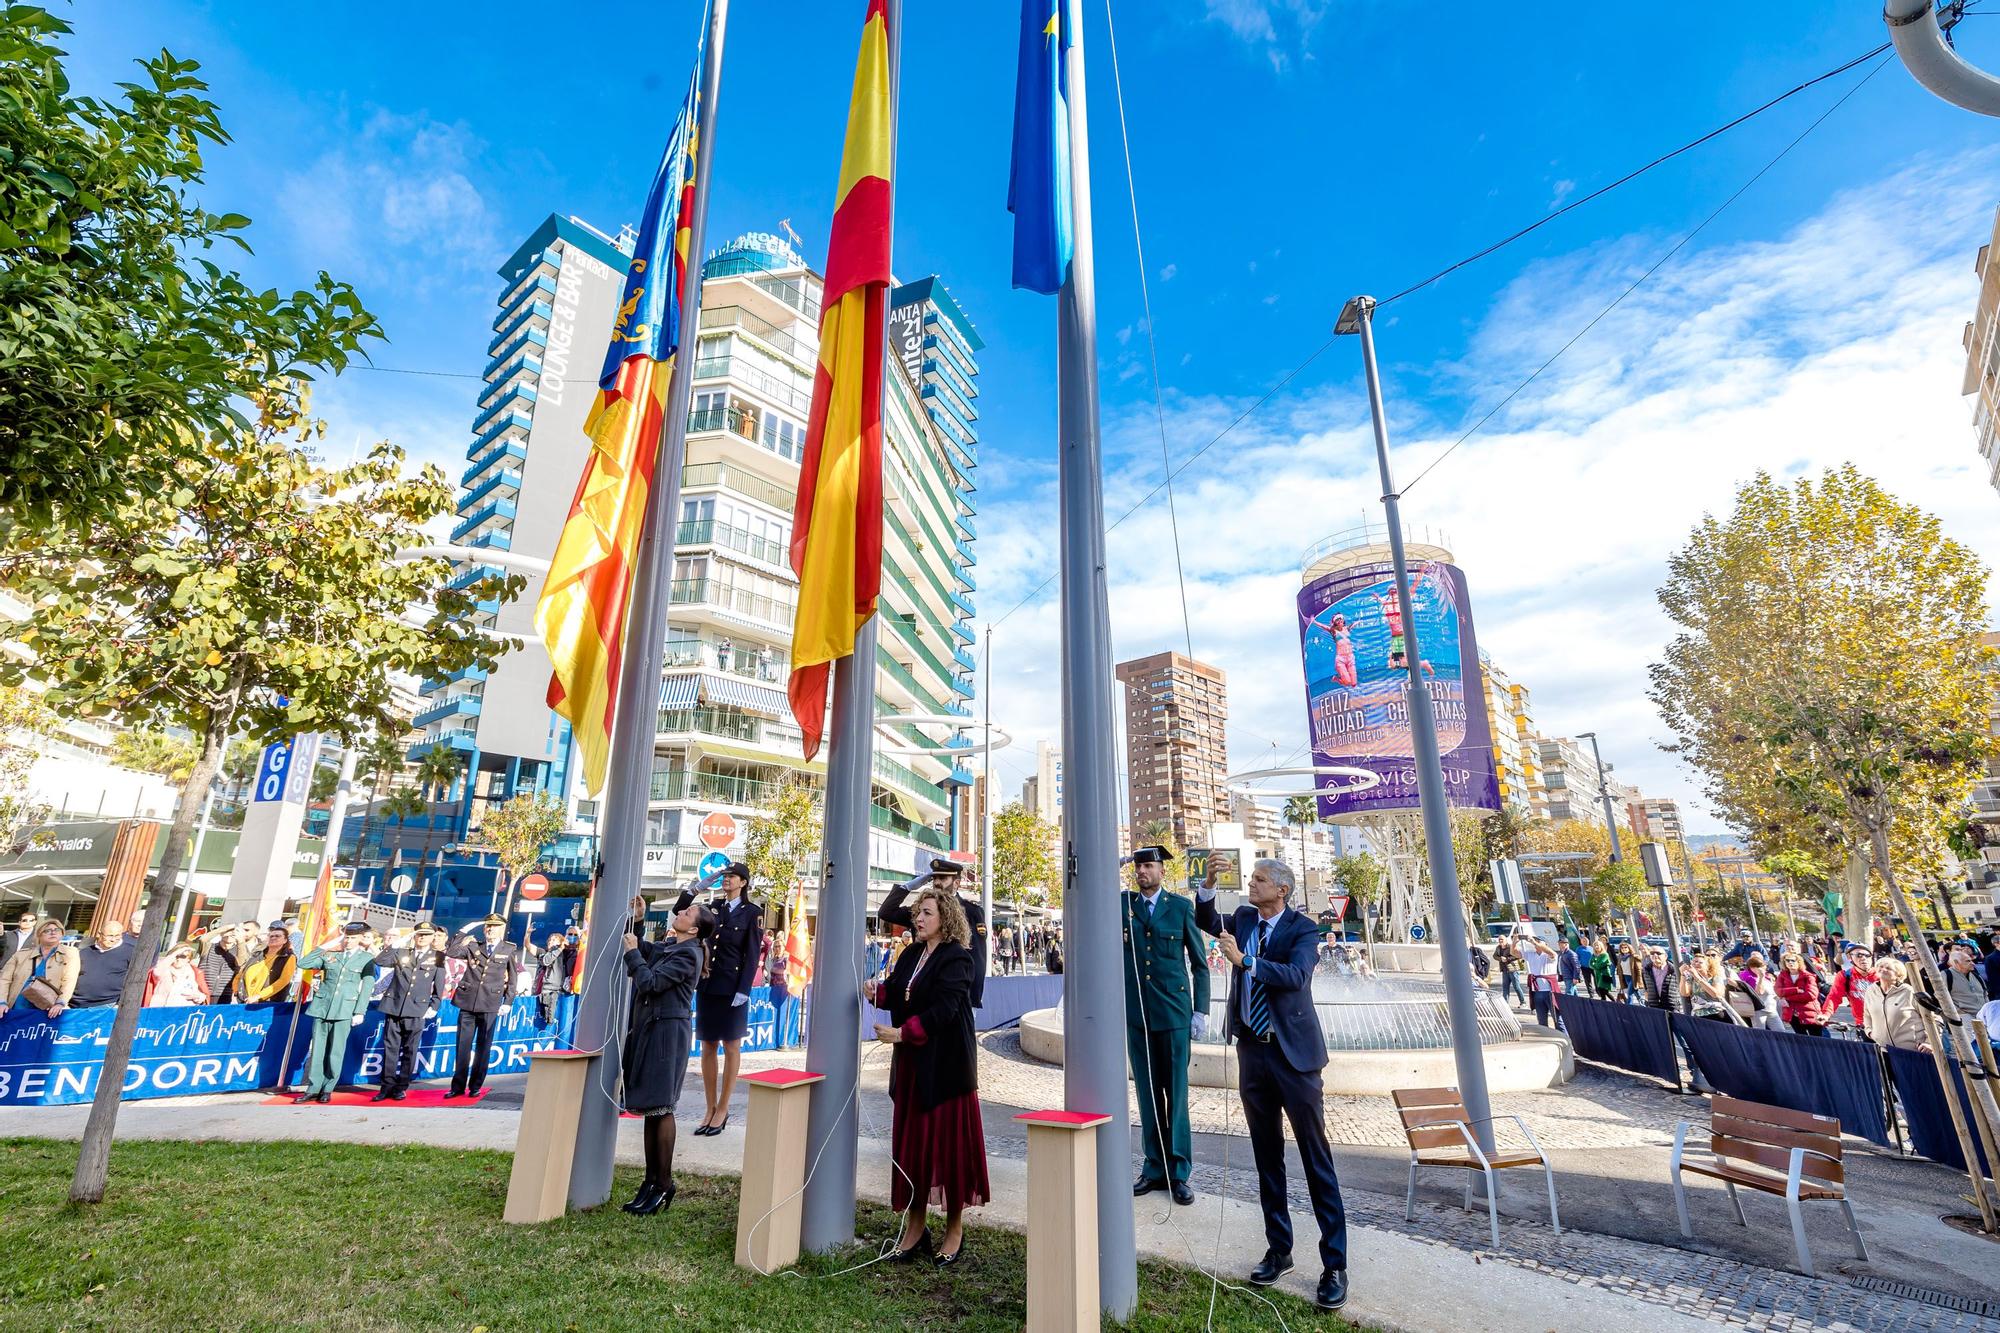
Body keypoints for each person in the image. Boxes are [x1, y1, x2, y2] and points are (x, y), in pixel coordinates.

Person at [1195, 858, 1349, 1313]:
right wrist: (1206, 885)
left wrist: (1247, 962)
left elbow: (1296, 977)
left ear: (1281, 890)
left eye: (1259, 880)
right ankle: (1278, 1250)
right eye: (1251, 878)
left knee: (1315, 1159)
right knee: (1266, 1157)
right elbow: (1207, 920)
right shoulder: (1244, 917)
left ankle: (1334, 1266)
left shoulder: (1303, 930)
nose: (1251, 884)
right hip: (1253, 1053)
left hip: (1294, 1058)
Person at [871, 885, 988, 1267]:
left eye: (926, 914)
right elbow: (898, 991)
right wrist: (875, 991)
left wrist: (903, 1033)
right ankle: (916, 1229)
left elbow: (945, 1010)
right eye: (918, 912)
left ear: (946, 921)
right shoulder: (913, 954)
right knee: (913, 1149)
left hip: (947, 1070)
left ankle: (954, 1230)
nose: (918, 919)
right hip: (912, 1067)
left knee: (949, 1152)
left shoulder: (959, 958)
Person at [1123, 846, 1211, 1207]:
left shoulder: (1180, 907)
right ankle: (1153, 1167)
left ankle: (1179, 1172)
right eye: (1137, 866)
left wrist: (1200, 1011)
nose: (1141, 872)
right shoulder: (1123, 905)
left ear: (1161, 870)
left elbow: (1200, 964)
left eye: (1147, 866)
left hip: (1174, 1013)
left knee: (1175, 1095)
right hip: (1138, 1014)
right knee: (1146, 1093)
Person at [620, 892, 713, 1216]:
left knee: (662, 1107)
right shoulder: (675, 946)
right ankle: (651, 1181)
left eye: (688, 913)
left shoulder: (688, 954)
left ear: (695, 929)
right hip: (653, 1031)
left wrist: (632, 955)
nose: (682, 912)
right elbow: (646, 949)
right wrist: (641, 921)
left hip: (666, 1037)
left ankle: (663, 1183)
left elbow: (651, 981)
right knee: (652, 1109)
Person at [675, 862, 763, 1135]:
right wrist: (698, 888)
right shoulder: (713, 908)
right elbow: (680, 912)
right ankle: (709, 1107)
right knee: (708, 1046)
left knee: (731, 1046)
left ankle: (723, 1108)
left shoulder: (753, 913)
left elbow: (752, 953)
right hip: (709, 983)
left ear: (743, 883)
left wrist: (744, 989)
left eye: (732, 877)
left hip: (733, 986)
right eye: (724, 877)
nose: (726, 880)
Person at [880, 858, 987, 1005]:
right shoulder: (920, 910)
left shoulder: (971, 911)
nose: (937, 882)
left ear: (956, 883)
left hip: (954, 994)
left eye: (943, 878)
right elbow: (886, 912)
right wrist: (909, 886)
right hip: (921, 990)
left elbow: (977, 958)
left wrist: (971, 998)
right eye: (934, 878)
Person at [295, 922, 379, 1103]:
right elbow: (304, 963)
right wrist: (325, 945)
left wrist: (360, 1011)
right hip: (323, 1007)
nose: (349, 941)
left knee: (335, 1050)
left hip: (345, 1008)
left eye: (353, 938)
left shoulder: (366, 958)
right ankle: (313, 1087)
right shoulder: (331, 955)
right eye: (347, 937)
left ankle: (328, 1087)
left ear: (360, 939)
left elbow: (367, 986)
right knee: (318, 1049)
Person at [445, 913, 521, 1099]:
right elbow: (452, 951)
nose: (490, 929)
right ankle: (457, 1086)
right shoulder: (473, 946)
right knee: (462, 1046)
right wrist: (464, 930)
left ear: (501, 929)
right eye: (488, 926)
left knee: (483, 1047)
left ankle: (476, 1085)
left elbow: (513, 978)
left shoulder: (508, 949)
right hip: (468, 1001)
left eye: (494, 926)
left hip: (490, 1002)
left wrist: (508, 1002)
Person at [371, 923, 446, 1101]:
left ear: (432, 937)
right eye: (419, 934)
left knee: (410, 1049)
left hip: (417, 1008)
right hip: (395, 1006)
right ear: (414, 936)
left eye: (426, 935)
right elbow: (380, 960)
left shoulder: (437, 957)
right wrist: (397, 943)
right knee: (390, 1048)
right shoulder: (403, 952)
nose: (422, 938)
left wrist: (434, 1006)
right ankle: (386, 1086)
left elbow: (439, 984)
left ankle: (401, 1086)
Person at [1, 918, 78, 1017]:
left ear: (62, 933)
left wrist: (60, 1003)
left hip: (48, 1007)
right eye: (47, 931)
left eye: (57, 930)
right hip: (17, 1004)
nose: (53, 933)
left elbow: (69, 981)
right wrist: (2, 1002)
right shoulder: (21, 954)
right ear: (39, 935)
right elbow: (4, 979)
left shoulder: (71, 953)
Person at [1863, 957, 1930, 1052]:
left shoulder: (1909, 991)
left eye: (1888, 968)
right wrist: (1870, 1032)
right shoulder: (1870, 991)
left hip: (1913, 1050)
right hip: (1884, 1050)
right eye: (1880, 966)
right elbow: (1867, 1015)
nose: (1883, 969)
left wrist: (1929, 1043)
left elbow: (1933, 1019)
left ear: (1898, 975)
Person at [68, 918, 136, 1010]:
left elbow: (134, 981)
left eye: (117, 936)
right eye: (110, 935)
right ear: (99, 934)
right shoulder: (84, 952)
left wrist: (120, 1004)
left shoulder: (131, 952)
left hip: (107, 1004)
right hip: (76, 1004)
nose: (113, 939)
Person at [1823, 944, 1878, 1031]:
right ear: (1850, 958)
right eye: (1859, 955)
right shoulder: (1845, 976)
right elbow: (1834, 997)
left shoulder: (1881, 974)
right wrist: (1825, 1014)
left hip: (1885, 1023)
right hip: (1863, 1024)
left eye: (1867, 955)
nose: (1863, 958)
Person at [239, 922, 298, 1003]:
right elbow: (242, 973)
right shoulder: (257, 954)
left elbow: (283, 980)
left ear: (285, 940)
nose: (273, 938)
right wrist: (236, 991)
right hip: (244, 999)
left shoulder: (288, 957)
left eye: (277, 936)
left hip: (267, 1002)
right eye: (271, 936)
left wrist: (259, 996)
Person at [141, 943, 210, 1007]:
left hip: (181, 1013)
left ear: (188, 959)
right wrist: (174, 954)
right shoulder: (164, 969)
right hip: (160, 1011)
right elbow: (157, 972)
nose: (178, 959)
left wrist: (199, 997)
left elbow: (203, 995)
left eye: (182, 956)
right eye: (176, 956)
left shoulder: (194, 973)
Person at [1773, 950, 1824, 1034]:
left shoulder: (1808, 976)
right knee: (1800, 1040)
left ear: (1799, 962)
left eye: (1793, 960)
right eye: (1787, 960)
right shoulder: (1782, 975)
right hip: (1792, 1014)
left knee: (1816, 1040)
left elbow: (1811, 995)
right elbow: (1778, 991)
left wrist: (1787, 997)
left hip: (1809, 1013)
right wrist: (1796, 990)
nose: (1790, 962)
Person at [531, 931, 573, 1028]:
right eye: (550, 939)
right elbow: (546, 961)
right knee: (545, 1017)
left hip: (560, 990)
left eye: (554, 939)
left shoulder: (564, 952)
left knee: (556, 1019)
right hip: (546, 989)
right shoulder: (548, 952)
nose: (551, 941)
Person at [1736, 954, 1785, 1031]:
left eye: (1764, 966)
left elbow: (1773, 992)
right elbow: (1759, 992)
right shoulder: (1750, 978)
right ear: (1752, 968)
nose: (1764, 969)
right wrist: (1761, 977)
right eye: (1760, 967)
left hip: (1771, 1008)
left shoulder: (1766, 977)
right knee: (1760, 1032)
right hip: (1759, 1010)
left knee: (1781, 1030)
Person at [1520, 934, 1560, 1028]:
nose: (1536, 943)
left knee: (1558, 1020)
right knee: (1542, 1021)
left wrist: (1534, 942)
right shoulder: (1531, 954)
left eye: (1539, 941)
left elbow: (1552, 954)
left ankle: (1565, 1038)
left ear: (1545, 944)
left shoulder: (1550, 954)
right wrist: (1514, 941)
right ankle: (1547, 1038)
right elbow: (1514, 953)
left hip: (1550, 991)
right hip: (1537, 992)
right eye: (1535, 941)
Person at [200, 924, 242, 1004]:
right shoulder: (209, 947)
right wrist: (222, 929)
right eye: (227, 932)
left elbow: (242, 962)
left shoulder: (239, 951)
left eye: (233, 933)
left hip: (225, 994)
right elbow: (203, 939)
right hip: (203, 991)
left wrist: (240, 940)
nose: (229, 934)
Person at [1493, 935, 1523, 1007]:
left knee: (1516, 986)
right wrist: (1500, 958)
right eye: (1499, 939)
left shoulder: (1510, 947)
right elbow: (1494, 956)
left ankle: (1523, 1002)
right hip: (1504, 970)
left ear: (1506, 940)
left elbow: (1517, 956)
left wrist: (1507, 959)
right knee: (1505, 987)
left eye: (1502, 939)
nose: (1500, 941)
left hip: (1513, 969)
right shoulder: (1498, 948)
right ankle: (1505, 1004)